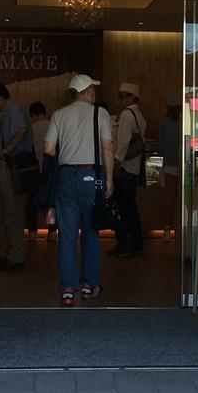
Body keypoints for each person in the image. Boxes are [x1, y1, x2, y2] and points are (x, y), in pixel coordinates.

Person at [44, 74, 112, 306]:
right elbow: (107, 147)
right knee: (91, 232)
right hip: (92, 175)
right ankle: (89, 284)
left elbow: (49, 148)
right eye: (93, 89)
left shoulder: (59, 114)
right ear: (88, 92)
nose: (95, 93)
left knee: (67, 234)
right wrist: (109, 178)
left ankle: (67, 288)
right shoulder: (100, 113)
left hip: (66, 178)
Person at [0, 82, 34, 272]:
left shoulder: (13, 109)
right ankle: (6, 252)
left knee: (12, 212)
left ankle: (15, 257)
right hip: (5, 165)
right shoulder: (6, 112)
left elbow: (21, 130)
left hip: (12, 167)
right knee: (5, 211)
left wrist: (7, 150)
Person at [109, 82, 146, 258]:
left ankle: (123, 244)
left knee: (122, 209)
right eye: (119, 96)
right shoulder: (138, 115)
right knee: (131, 208)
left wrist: (115, 162)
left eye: (123, 96)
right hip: (133, 167)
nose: (120, 100)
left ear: (133, 97)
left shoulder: (126, 115)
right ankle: (137, 244)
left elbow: (123, 142)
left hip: (123, 168)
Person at [26, 102, 51, 238]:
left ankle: (31, 231)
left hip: (34, 168)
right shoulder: (52, 125)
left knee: (32, 201)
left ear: (33, 115)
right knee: (50, 201)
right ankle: (52, 231)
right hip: (49, 169)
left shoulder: (31, 128)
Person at [157, 101, 181, 239]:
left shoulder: (163, 122)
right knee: (182, 198)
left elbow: (161, 145)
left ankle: (167, 228)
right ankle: (181, 228)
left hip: (169, 164)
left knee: (169, 197)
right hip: (184, 163)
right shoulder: (185, 120)